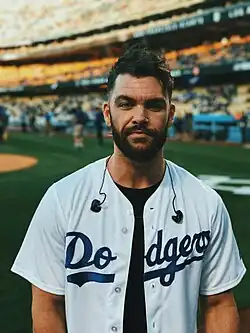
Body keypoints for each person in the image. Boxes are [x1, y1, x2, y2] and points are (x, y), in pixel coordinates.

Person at [11, 45, 246, 333]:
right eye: (126, 103)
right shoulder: (62, 199)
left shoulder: (206, 203)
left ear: (170, 114)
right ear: (108, 114)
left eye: (154, 105)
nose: (140, 117)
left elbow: (219, 303)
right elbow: (47, 305)